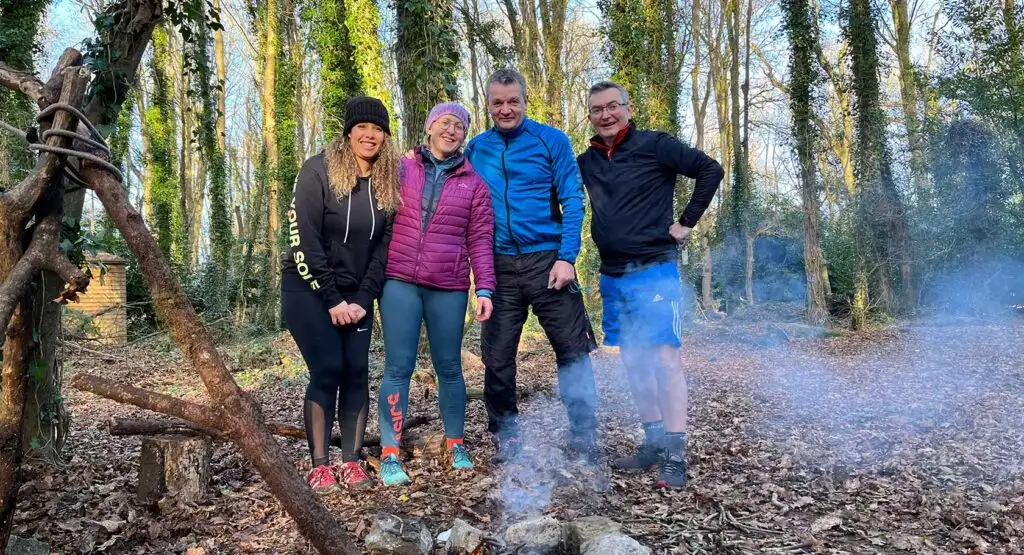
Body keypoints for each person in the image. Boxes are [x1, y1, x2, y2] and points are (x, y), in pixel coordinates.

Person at [576, 81, 723, 489]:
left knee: (663, 358)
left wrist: (686, 222)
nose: (605, 115)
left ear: (628, 106)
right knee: (634, 360)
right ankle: (653, 442)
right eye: (596, 109)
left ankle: (675, 455)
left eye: (612, 107)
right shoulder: (586, 161)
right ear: (589, 116)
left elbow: (711, 169)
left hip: (655, 270)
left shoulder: (655, 145)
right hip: (612, 274)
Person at [464, 68, 600, 464]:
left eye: (513, 101)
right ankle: (506, 434)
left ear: (525, 100)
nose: (506, 109)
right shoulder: (477, 149)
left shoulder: (551, 140)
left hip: (548, 260)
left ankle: (584, 435)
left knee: (573, 351)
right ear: (488, 105)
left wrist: (566, 257)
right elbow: (458, 194)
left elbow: (573, 200)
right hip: (499, 265)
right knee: (498, 356)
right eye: (497, 102)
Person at [281, 96, 399, 494]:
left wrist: (363, 300)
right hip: (308, 289)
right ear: (348, 132)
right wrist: (332, 299)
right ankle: (319, 465)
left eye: (378, 129)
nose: (370, 135)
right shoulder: (317, 171)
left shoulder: (387, 182)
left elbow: (385, 248)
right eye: (362, 127)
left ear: (385, 136)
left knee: (357, 372)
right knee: (328, 368)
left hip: (358, 295)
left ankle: (350, 461)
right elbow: (304, 241)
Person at [376, 102, 497, 486]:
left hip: (449, 286)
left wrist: (486, 288)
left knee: (449, 368)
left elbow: (480, 239)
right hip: (399, 282)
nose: (452, 130)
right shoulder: (399, 168)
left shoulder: (474, 183)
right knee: (398, 367)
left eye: (459, 126)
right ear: (429, 127)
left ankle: (456, 443)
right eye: (444, 123)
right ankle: (390, 453)